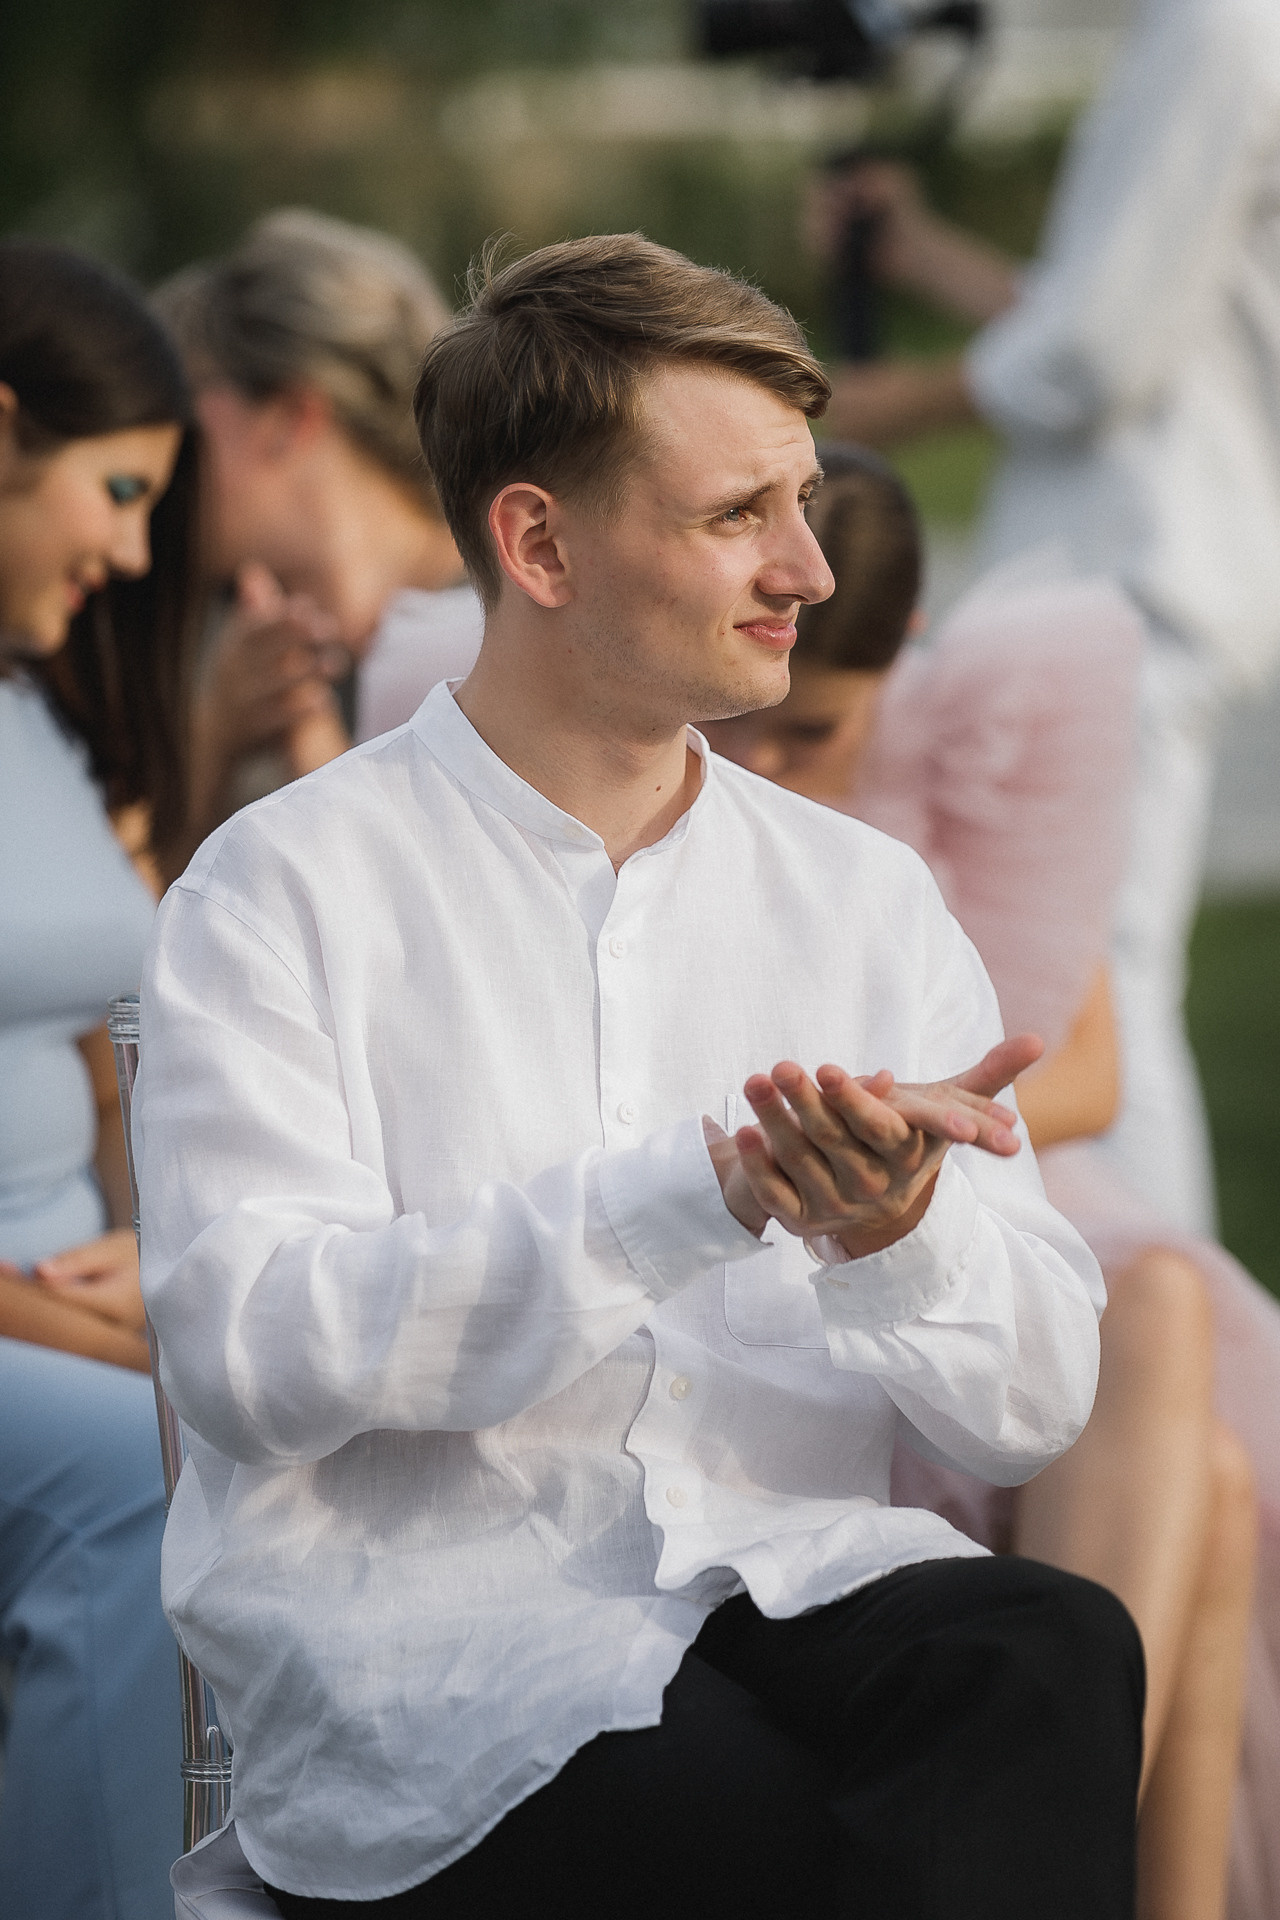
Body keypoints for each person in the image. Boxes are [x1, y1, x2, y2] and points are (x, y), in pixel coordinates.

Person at [135, 234, 1141, 1920]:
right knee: (760, 1823)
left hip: (788, 1577)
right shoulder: (278, 888)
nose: (809, 569)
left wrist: (902, 1232)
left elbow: (1032, 1403)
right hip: (436, 1644)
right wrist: (696, 1194)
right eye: (738, 514)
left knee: (1047, 1652)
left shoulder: (862, 901)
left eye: (802, 501)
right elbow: (248, 1353)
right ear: (538, 541)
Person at [707, 448, 1266, 1920]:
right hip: (790, 1226)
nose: (766, 763)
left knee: (1149, 1298)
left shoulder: (969, 756)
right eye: (748, 726)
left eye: (815, 732)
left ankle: (1056, 1846)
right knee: (1198, 1479)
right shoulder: (692, 791)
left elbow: (1084, 1068)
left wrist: (930, 1112)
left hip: (992, 1178)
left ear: (896, 674)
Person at [813, 0, 1280, 1239]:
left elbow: (1094, 353)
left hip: (1144, 571)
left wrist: (863, 405)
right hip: (1130, 562)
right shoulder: (1193, 36)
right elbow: (1113, 303)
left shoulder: (1216, 32)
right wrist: (921, 258)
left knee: (1095, 979)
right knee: (1086, 966)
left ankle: (1162, 1339)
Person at [0, 239, 198, 1918]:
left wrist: (169, 1256)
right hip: (19, 1326)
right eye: (115, 490)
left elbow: (92, 1031)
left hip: (71, 1286)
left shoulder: (35, 708)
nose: (134, 552)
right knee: (127, 1466)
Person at [154, 208, 482, 837]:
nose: (151, 457)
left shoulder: (513, 631)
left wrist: (313, 758)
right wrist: (213, 745)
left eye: (180, 417)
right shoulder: (221, 650)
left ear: (289, 417)